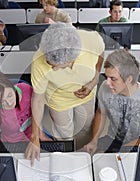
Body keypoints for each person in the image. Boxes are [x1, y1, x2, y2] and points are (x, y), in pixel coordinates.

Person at [25, 22, 104, 164]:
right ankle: (67, 162)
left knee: (85, 129)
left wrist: (95, 80)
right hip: (58, 99)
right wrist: (35, 136)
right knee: (64, 136)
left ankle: (82, 160)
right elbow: (37, 99)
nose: (50, 67)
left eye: (54, 66)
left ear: (70, 60)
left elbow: (101, 54)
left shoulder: (92, 40)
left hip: (86, 95)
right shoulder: (39, 60)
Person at [84, 49, 140, 155]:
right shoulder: (105, 87)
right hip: (112, 138)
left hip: (136, 145)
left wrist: (117, 150)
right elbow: (101, 113)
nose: (107, 83)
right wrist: (94, 141)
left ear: (129, 79)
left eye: (113, 79)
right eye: (107, 77)